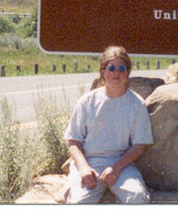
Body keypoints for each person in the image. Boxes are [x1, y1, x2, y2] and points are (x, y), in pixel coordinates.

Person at [63, 45, 153, 204]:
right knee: (78, 202)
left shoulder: (136, 104)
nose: (115, 73)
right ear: (103, 71)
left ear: (128, 72)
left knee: (137, 198)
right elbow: (73, 141)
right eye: (111, 68)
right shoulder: (87, 101)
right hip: (89, 163)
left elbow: (139, 146)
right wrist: (83, 168)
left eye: (121, 68)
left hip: (122, 165)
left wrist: (116, 168)